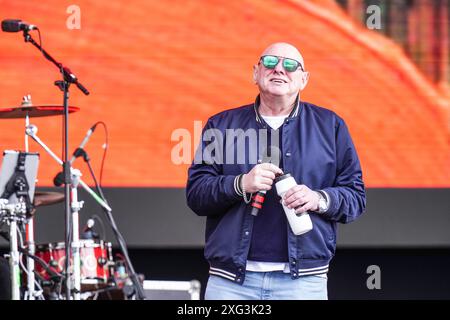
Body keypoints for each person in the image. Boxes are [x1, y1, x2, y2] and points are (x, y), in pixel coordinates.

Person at [186, 42, 366, 300]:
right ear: (255, 73)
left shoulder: (331, 126)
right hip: (231, 283)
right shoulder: (221, 125)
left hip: (304, 282)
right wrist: (241, 184)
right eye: (270, 62)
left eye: (290, 65)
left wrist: (318, 199)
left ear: (304, 79)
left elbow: (356, 197)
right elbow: (196, 195)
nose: (279, 69)